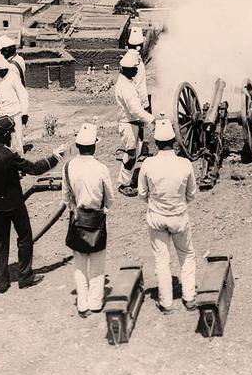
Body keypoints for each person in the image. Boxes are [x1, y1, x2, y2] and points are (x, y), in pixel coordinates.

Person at [0, 116, 65, 293]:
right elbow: (34, 169)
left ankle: (2, 281)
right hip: (14, 205)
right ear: (6, 135)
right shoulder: (8, 156)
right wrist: (55, 157)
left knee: (1, 241)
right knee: (24, 238)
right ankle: (25, 276)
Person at [138, 118, 197, 315]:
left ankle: (166, 303)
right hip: (179, 216)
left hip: (156, 217)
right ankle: (189, 297)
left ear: (156, 142)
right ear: (174, 140)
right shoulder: (185, 164)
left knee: (161, 260)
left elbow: (142, 194)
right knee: (187, 255)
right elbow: (191, 194)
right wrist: (177, 204)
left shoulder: (148, 164)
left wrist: (155, 205)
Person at [61, 122, 114, 318]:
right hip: (96, 219)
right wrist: (102, 210)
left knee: (79, 265)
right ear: (94, 146)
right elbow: (110, 199)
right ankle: (95, 302)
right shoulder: (101, 168)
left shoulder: (68, 167)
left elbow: (65, 197)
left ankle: (82, 304)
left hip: (77, 219)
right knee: (98, 265)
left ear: (78, 146)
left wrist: (75, 208)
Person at [114, 49, 153, 197]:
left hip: (133, 123)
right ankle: (124, 184)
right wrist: (151, 119)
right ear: (126, 69)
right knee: (131, 155)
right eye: (134, 69)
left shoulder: (127, 82)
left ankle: (125, 180)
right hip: (128, 124)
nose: (136, 71)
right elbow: (135, 110)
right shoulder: (125, 87)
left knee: (134, 153)